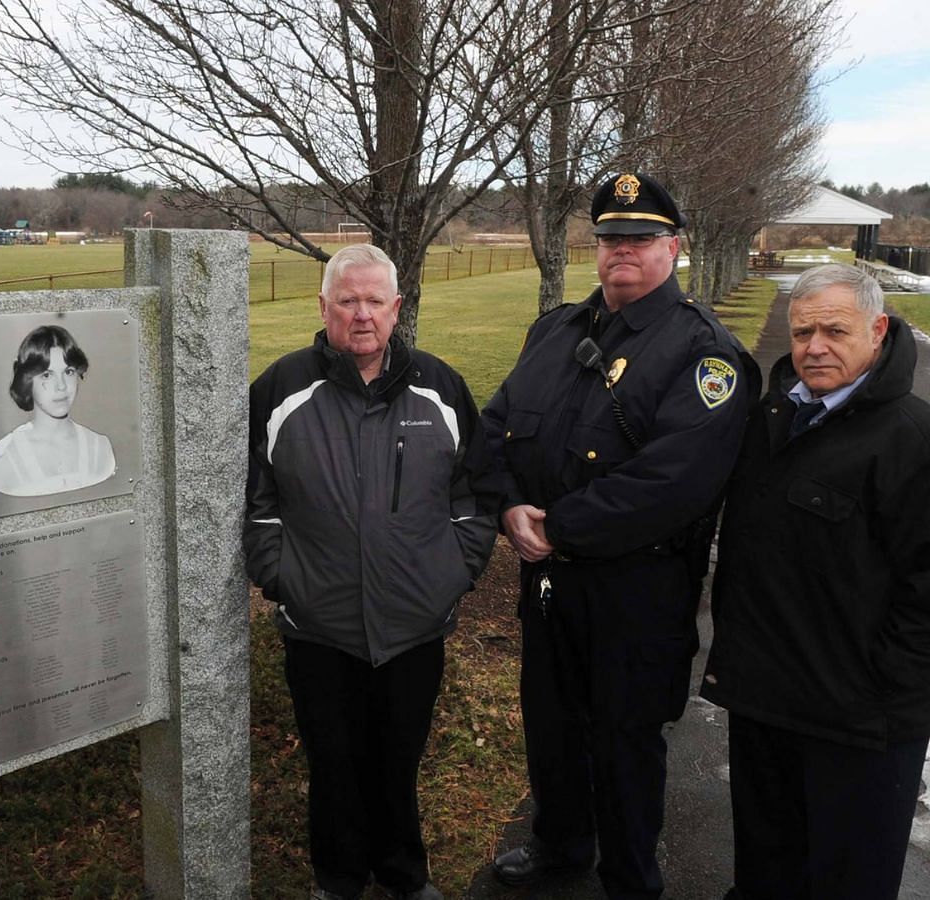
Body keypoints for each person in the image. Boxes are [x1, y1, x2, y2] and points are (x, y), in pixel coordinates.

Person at [481, 172, 759, 899]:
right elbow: (495, 428)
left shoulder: (705, 355)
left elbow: (673, 484)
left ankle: (631, 878)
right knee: (552, 726)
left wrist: (557, 524)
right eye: (610, 239)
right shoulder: (556, 331)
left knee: (626, 741)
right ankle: (560, 848)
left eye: (639, 239)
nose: (621, 252)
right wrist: (510, 507)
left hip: (637, 589)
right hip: (548, 581)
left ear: (674, 248)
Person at [244, 244, 497, 900]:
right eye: (347, 301)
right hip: (319, 626)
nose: (361, 315)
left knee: (397, 761)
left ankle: (404, 876)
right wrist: (281, 576)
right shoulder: (278, 390)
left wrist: (455, 571)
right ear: (323, 306)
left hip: (414, 625)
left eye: (374, 301)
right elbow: (254, 498)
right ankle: (338, 880)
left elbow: (473, 495)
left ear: (396, 307)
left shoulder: (440, 388)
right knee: (333, 765)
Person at [701, 263, 930, 900]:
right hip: (766, 705)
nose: (814, 347)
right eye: (802, 333)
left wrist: (882, 685)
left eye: (835, 330)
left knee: (846, 881)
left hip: (858, 721)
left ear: (879, 329)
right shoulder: (772, 419)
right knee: (767, 870)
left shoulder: (912, 438)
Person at [0, 324, 116, 496]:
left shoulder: (100, 447)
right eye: (46, 375)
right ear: (28, 380)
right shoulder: (0, 458)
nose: (61, 386)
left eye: (68, 372)